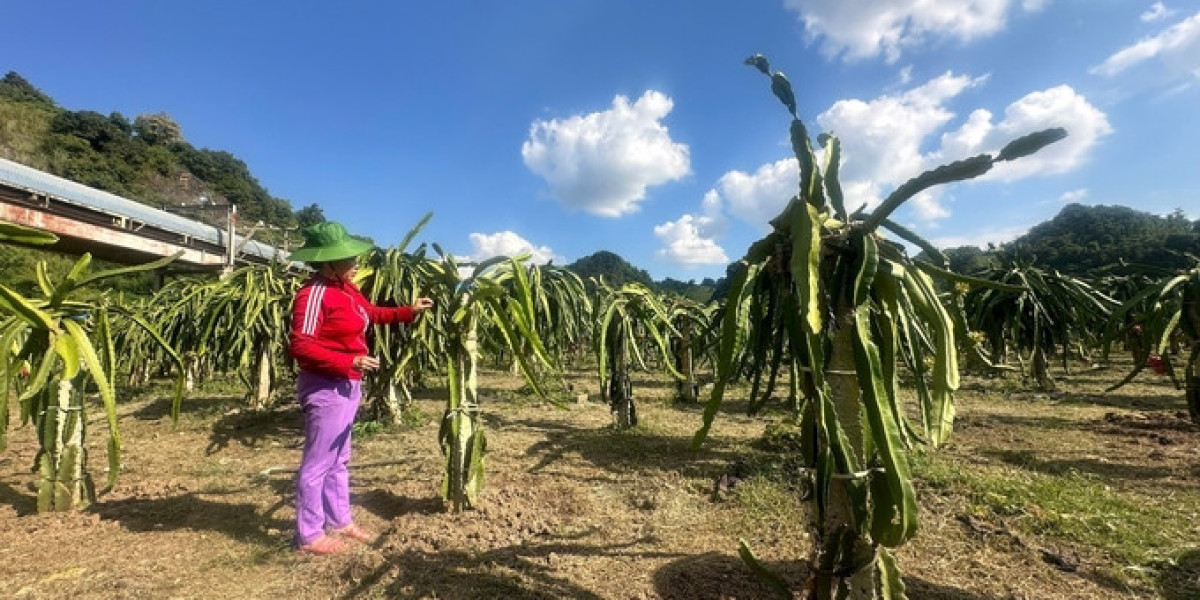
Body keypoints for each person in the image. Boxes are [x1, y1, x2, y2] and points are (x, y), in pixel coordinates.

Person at [287, 221, 434, 555]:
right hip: (326, 385)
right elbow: (301, 345)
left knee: (339, 458)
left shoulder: (347, 290)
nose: (355, 264)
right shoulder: (313, 295)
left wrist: (408, 312)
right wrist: (347, 362)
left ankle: (340, 521)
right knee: (318, 463)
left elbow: (371, 314)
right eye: (347, 258)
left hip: (348, 384)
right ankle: (309, 535)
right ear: (326, 264)